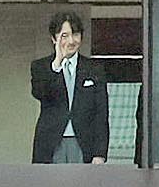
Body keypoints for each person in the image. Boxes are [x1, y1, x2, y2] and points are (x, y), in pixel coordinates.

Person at [27, 10, 108, 165]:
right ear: (53, 38)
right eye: (65, 35)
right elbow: (40, 92)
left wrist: (100, 153)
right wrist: (57, 64)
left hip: (84, 142)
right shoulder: (41, 67)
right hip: (51, 142)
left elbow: (101, 114)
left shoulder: (94, 68)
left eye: (75, 34)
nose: (71, 40)